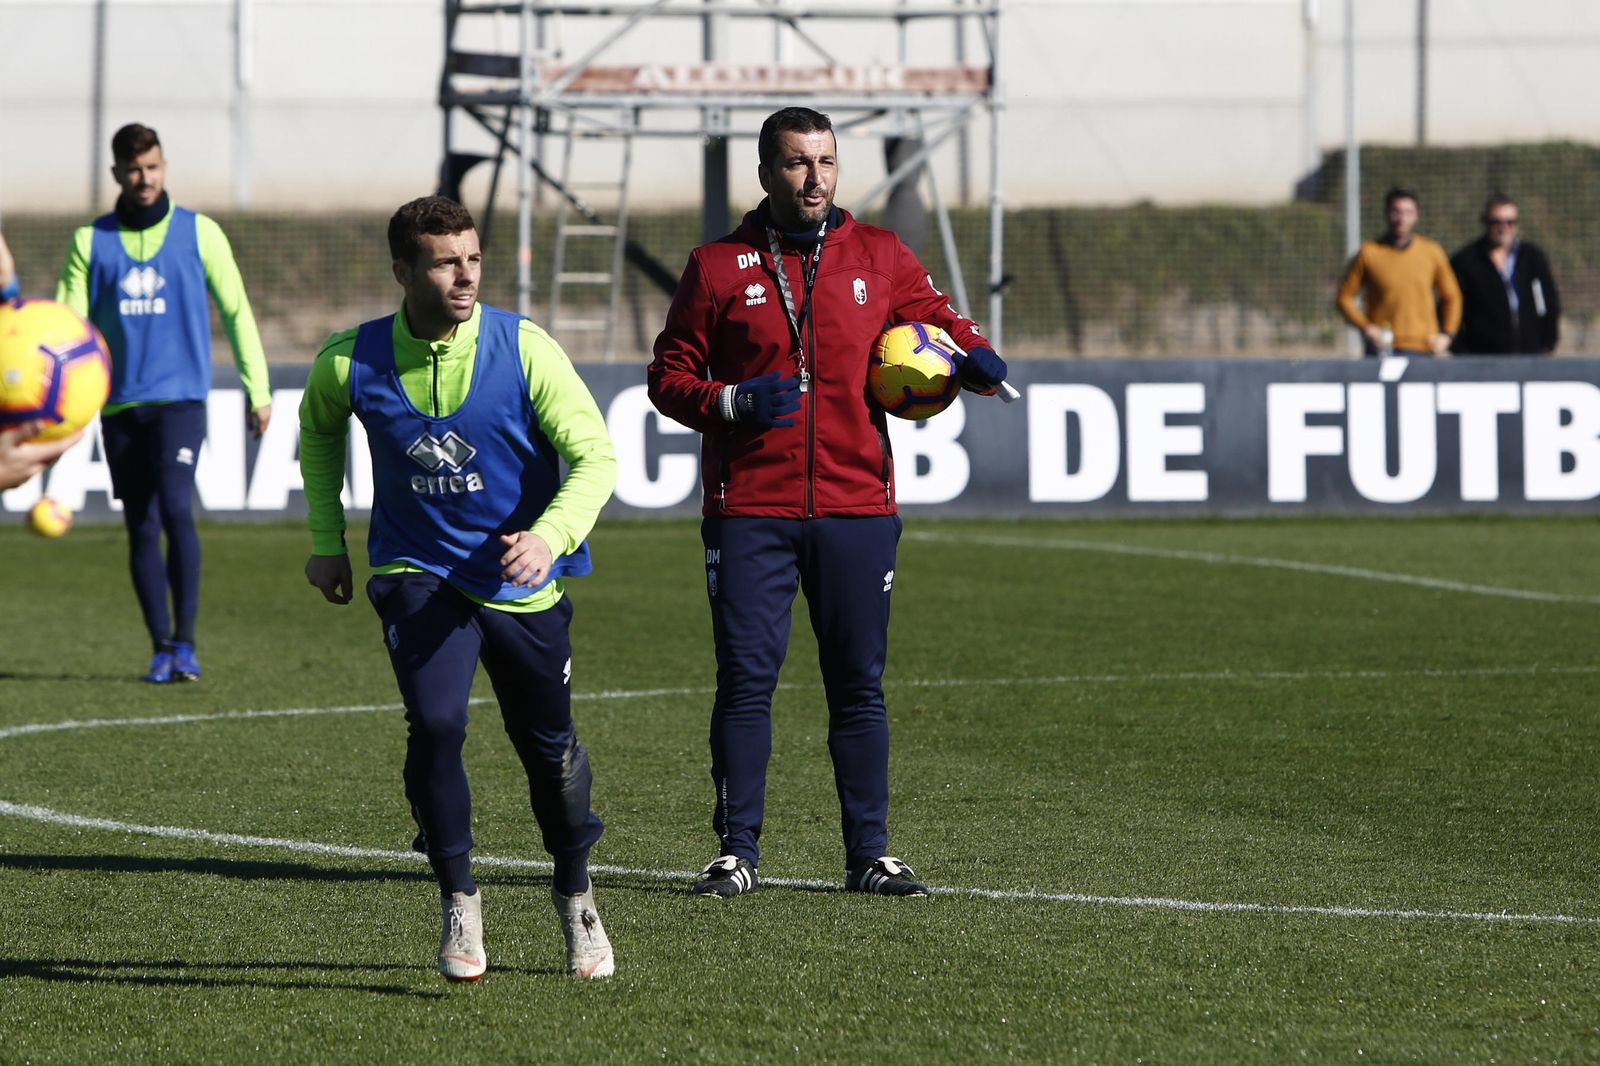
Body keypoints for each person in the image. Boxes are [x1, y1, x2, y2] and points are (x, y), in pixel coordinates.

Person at [647, 106, 1008, 900]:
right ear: (767, 172)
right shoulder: (716, 266)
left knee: (857, 684)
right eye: (798, 163)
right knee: (746, 681)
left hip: (857, 507)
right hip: (750, 510)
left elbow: (939, 321)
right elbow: (667, 378)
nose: (815, 178)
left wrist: (973, 352)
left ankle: (869, 855)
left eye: (827, 162)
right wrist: (734, 403)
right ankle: (736, 852)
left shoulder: (879, 255)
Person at [299, 195, 618, 981]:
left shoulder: (527, 348)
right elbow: (318, 429)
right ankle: (459, 898)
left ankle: (576, 892)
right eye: (445, 262)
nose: (465, 274)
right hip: (418, 575)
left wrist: (548, 537)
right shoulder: (350, 359)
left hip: (519, 583)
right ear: (404, 270)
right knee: (437, 725)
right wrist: (324, 541)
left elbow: (597, 457)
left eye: (472, 258)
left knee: (549, 753)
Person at [55, 123, 273, 683]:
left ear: (164, 166)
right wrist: (59, 406)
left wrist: (259, 389)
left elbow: (237, 311)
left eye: (151, 166)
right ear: (116, 174)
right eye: (132, 169)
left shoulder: (201, 233)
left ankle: (187, 643)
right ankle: (159, 646)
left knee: (176, 506)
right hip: (119, 405)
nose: (143, 178)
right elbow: (67, 330)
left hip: (181, 402)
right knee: (141, 523)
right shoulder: (89, 241)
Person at [1336, 186, 1462, 356]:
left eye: (1408, 212)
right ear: (1386, 213)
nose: (1402, 218)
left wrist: (1447, 335)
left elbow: (1452, 296)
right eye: (1396, 211)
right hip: (1382, 348)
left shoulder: (1432, 252)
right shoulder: (1369, 252)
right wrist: (1367, 328)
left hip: (1423, 348)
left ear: (1417, 215)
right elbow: (1344, 297)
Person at [1449, 193, 1561, 355]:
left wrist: (1548, 343)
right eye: (1497, 222)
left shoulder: (1532, 257)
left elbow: (1549, 302)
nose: (1503, 228)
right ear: (1486, 222)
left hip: (1530, 352)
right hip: (1482, 356)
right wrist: (1461, 349)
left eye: (1510, 222)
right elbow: (1453, 304)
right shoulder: (1466, 260)